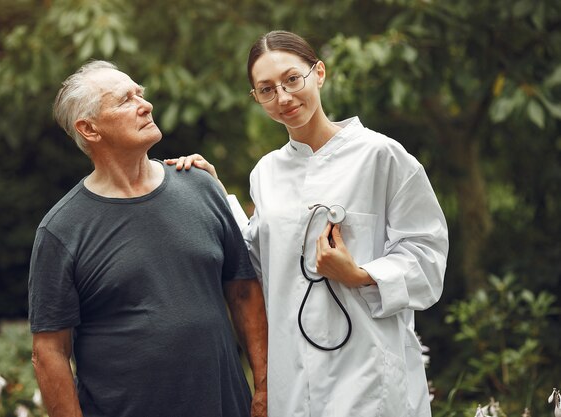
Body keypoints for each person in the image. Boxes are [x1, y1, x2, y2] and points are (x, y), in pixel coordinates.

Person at [167, 30, 449, 417]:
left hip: (369, 372)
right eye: (266, 89)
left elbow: (428, 255)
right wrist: (214, 190)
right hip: (294, 378)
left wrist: (360, 273)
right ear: (256, 98)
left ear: (319, 73)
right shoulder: (266, 172)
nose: (283, 97)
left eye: (291, 79)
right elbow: (257, 260)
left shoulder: (381, 156)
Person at [28, 60, 268, 417]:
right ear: (89, 129)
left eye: (140, 93)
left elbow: (244, 291)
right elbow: (49, 351)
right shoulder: (62, 230)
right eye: (125, 100)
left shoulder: (201, 185)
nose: (145, 104)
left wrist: (264, 385)